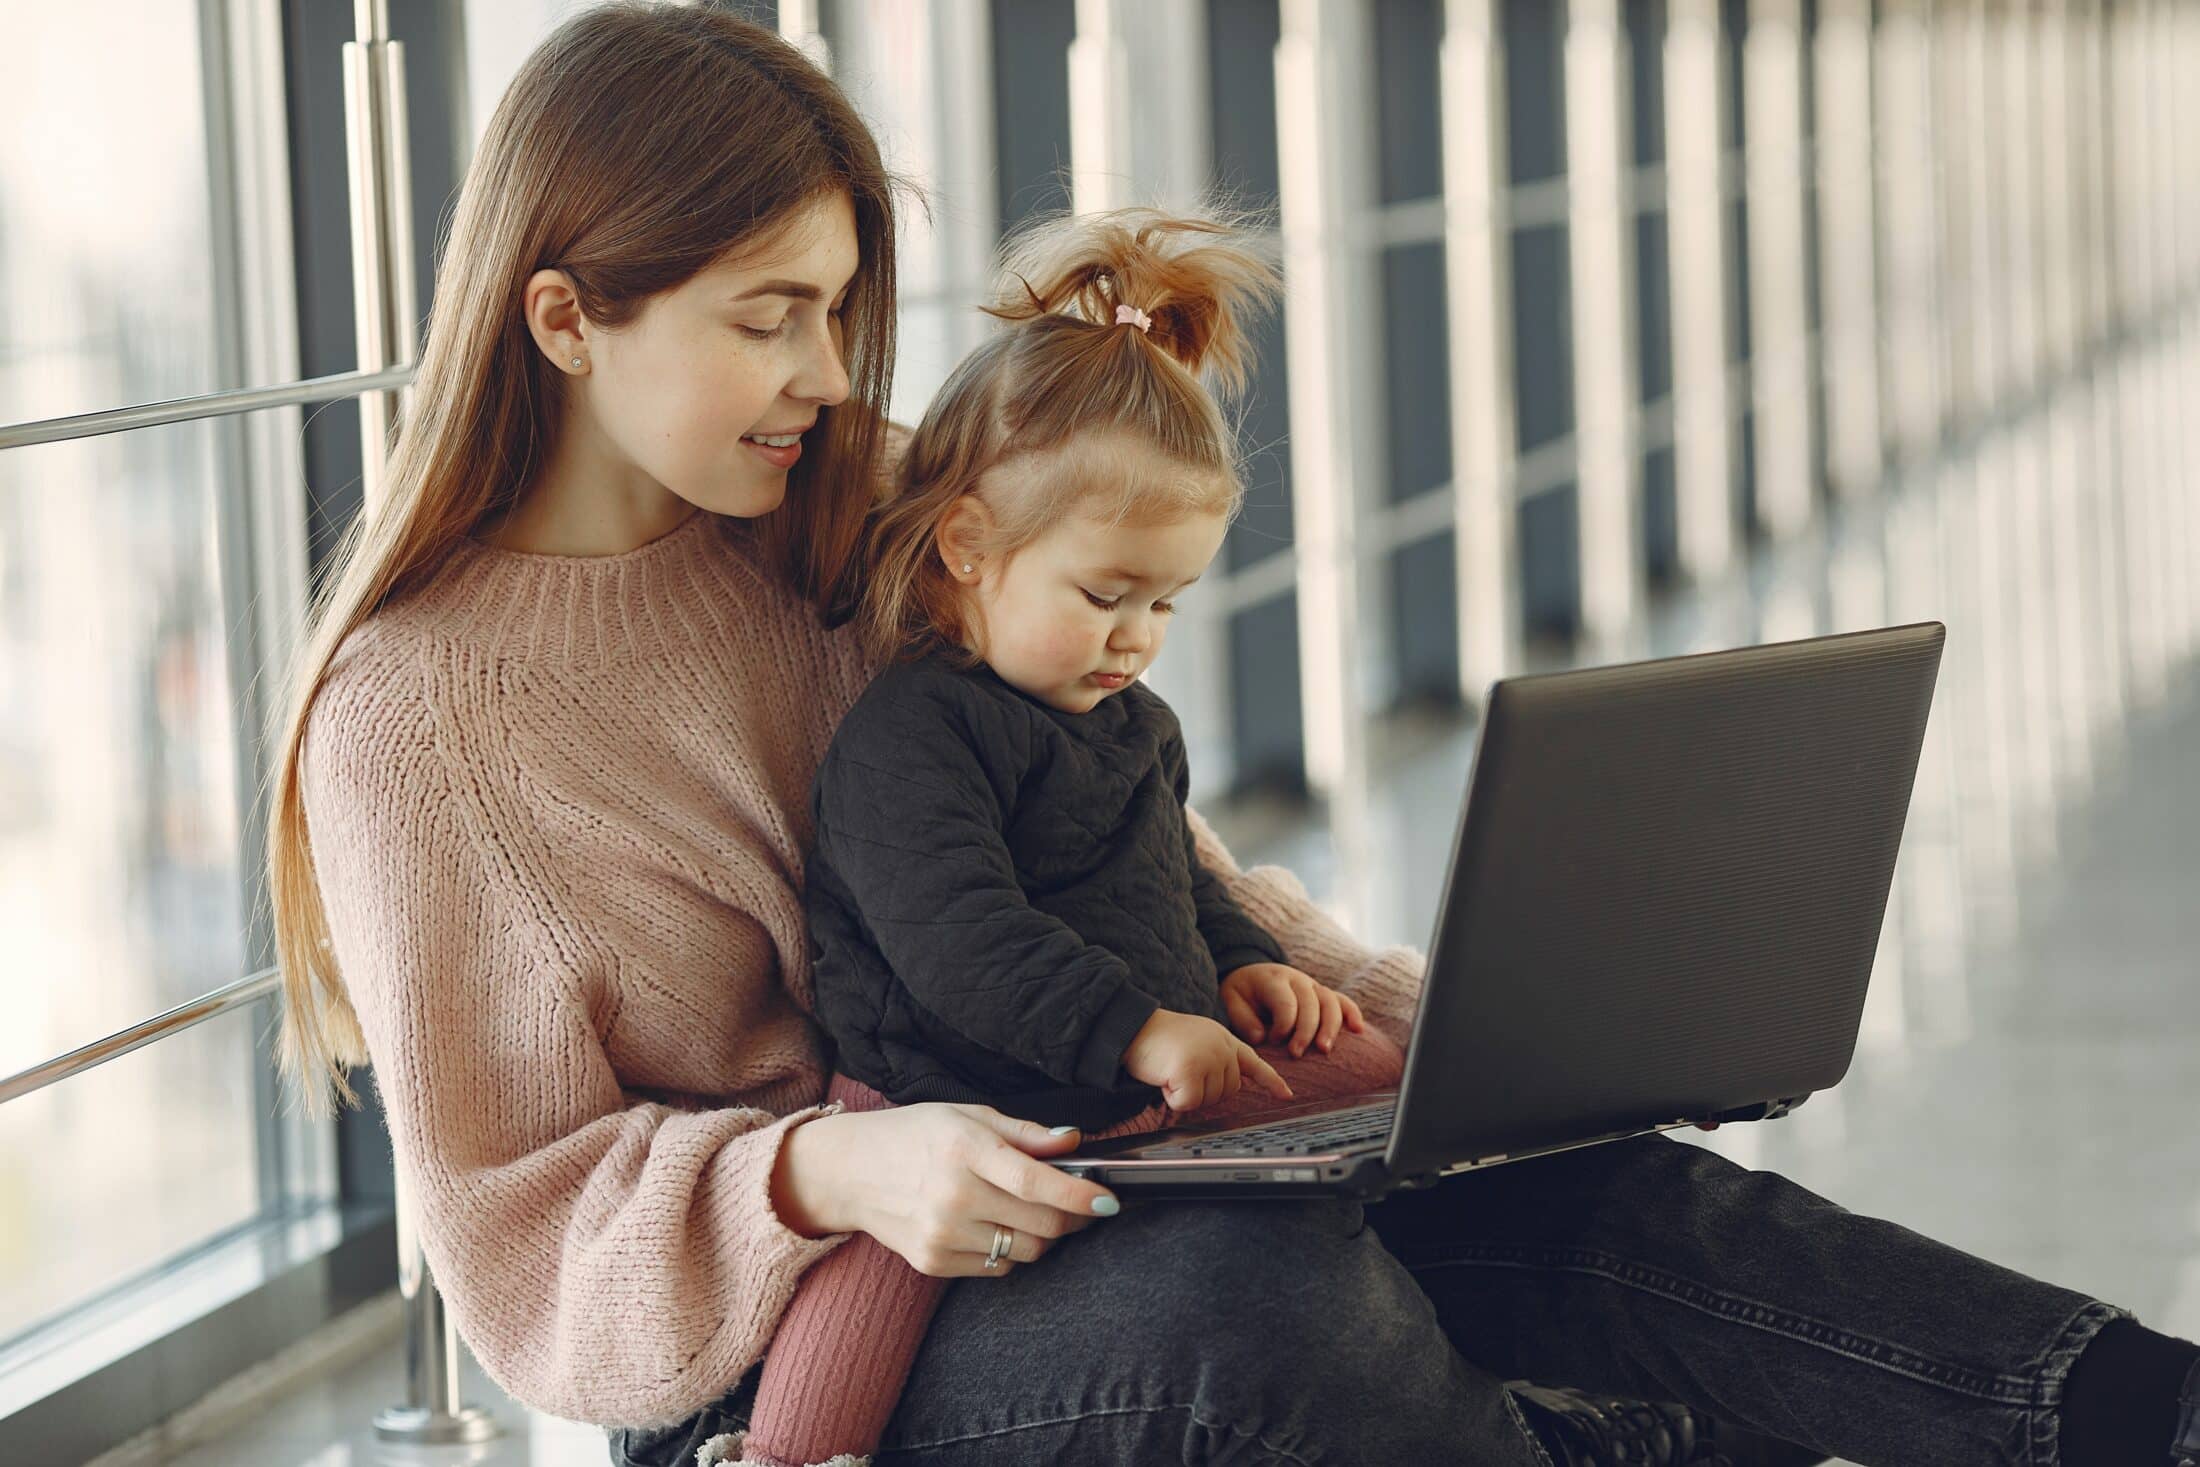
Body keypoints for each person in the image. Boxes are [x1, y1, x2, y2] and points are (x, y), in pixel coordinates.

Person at [267, 6, 2200, 1466]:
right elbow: (518, 1229)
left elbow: (1129, 848)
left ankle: (2136, 1403)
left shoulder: (849, 509)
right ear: (562, 319)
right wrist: (822, 1179)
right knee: (1271, 1306)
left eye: (846, 312)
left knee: (1616, 1203)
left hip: (1087, 1166)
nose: (829, 376)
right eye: (771, 318)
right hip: (792, 1341)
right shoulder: (413, 722)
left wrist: (1447, 1034)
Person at [731, 205, 1412, 1467]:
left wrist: (1243, 967)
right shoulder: (912, 738)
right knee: (867, 1300)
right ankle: (779, 1457)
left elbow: (1171, 879)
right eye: (1105, 596)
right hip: (951, 1099)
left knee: (1389, 1085)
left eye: (1165, 602)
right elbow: (963, 944)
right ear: (970, 547)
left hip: (1127, 1084)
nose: (1136, 636)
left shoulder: (1132, 722)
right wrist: (1143, 1030)